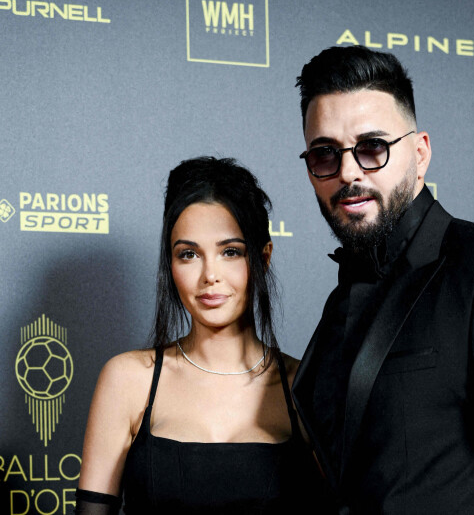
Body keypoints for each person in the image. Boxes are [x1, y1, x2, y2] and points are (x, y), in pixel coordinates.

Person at [291, 45, 474, 514]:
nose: (348, 172)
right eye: (325, 155)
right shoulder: (339, 302)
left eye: (372, 148)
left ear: (420, 153)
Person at [76, 156, 329, 514]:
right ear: (171, 263)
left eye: (230, 252)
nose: (210, 274)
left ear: (263, 258)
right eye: (189, 254)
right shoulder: (128, 381)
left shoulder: (305, 385)